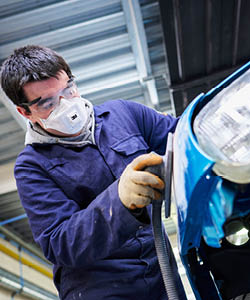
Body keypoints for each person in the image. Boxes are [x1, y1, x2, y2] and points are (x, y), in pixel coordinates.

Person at [0, 45, 186, 300]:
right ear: (25, 112)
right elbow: (59, 242)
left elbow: (182, 138)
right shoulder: (31, 166)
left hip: (161, 274)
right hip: (98, 289)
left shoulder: (124, 114)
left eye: (68, 89)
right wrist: (118, 202)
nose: (65, 105)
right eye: (47, 102)